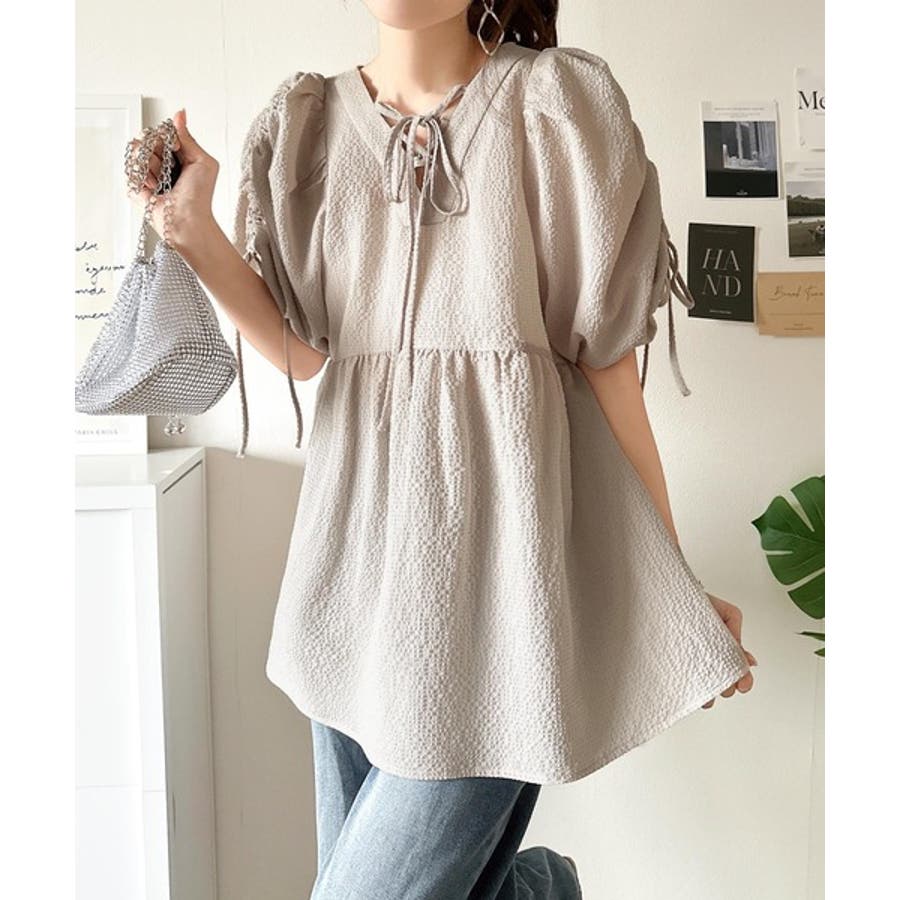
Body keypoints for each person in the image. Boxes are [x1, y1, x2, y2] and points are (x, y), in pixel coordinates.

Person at [128, 2, 758, 896]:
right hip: (352, 576)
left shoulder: (553, 108)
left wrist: (672, 582)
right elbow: (306, 355)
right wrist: (193, 231)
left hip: (508, 593)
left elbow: (611, 369)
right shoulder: (307, 128)